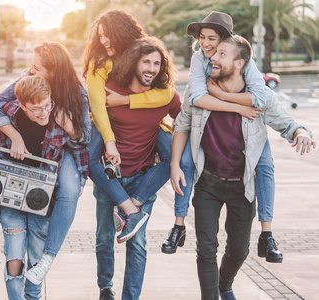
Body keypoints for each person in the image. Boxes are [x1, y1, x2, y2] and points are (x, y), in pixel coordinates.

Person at [170, 35, 316, 300]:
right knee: (206, 248)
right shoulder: (199, 92)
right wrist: (175, 165)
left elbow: (287, 122)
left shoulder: (260, 97)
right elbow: (181, 124)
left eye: (222, 54)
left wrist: (302, 133)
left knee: (239, 250)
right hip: (208, 182)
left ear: (239, 63)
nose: (213, 57)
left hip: (242, 186)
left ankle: (224, 284)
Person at [161, 11, 282, 263]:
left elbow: (259, 98)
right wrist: (237, 106)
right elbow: (196, 98)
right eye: (202, 38)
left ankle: (267, 234)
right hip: (213, 128)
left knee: (265, 166)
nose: (205, 44)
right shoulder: (198, 59)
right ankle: (178, 224)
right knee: (184, 163)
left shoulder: (241, 60)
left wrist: (224, 96)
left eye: (212, 38)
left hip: (249, 130)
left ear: (226, 41)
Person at [0, 41, 91, 284]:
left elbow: (84, 138)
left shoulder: (77, 94)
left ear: (54, 71)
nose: (32, 70)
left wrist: (67, 125)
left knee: (70, 189)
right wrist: (15, 137)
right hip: (30, 156)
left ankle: (48, 258)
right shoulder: (26, 84)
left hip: (66, 147)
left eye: (38, 67)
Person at [93, 36, 181, 300]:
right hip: (110, 180)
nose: (152, 68)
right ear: (134, 63)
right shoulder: (110, 91)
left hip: (143, 181)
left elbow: (187, 121)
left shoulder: (165, 97)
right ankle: (105, 287)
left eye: (157, 63)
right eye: (146, 61)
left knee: (138, 245)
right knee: (104, 238)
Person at [82, 10, 180, 243]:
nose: (104, 41)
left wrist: (126, 100)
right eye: (100, 36)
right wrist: (109, 141)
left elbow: (166, 94)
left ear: (122, 32)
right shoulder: (100, 63)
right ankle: (131, 208)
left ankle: (135, 207)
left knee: (175, 154)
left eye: (108, 35)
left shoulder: (143, 55)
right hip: (104, 124)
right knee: (89, 159)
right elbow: (98, 105)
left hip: (148, 127)